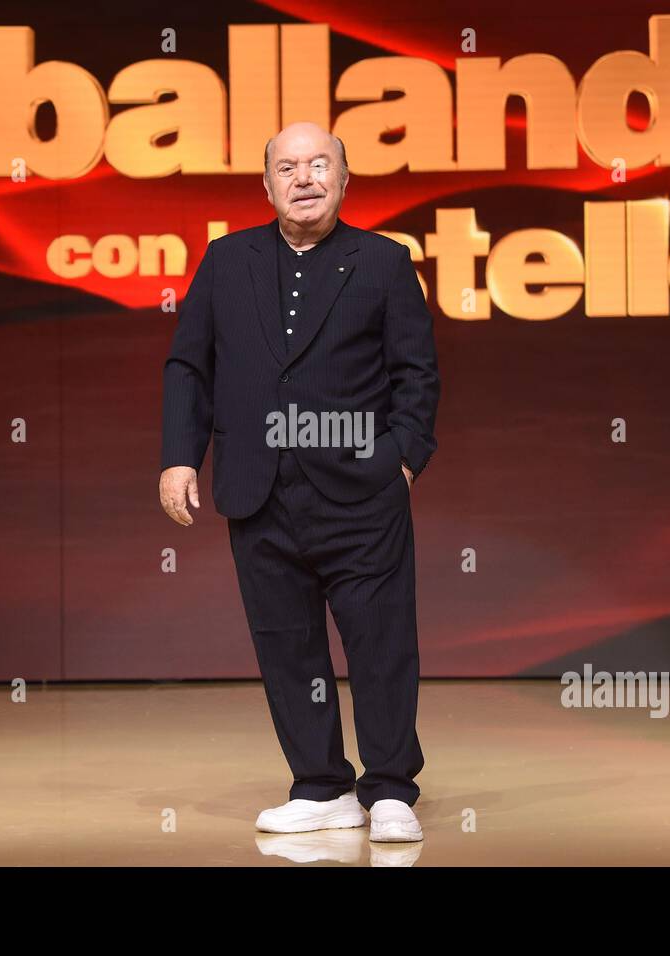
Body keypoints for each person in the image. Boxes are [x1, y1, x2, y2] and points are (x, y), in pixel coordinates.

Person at [159, 121, 440, 842]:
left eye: (321, 165)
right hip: (258, 490)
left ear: (346, 181)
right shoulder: (226, 261)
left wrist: (401, 458)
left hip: (360, 493)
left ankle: (389, 790)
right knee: (286, 644)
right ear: (266, 183)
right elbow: (190, 366)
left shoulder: (382, 261)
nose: (305, 177)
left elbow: (416, 373)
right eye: (288, 166)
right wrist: (179, 457)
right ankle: (320, 786)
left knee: (380, 641)